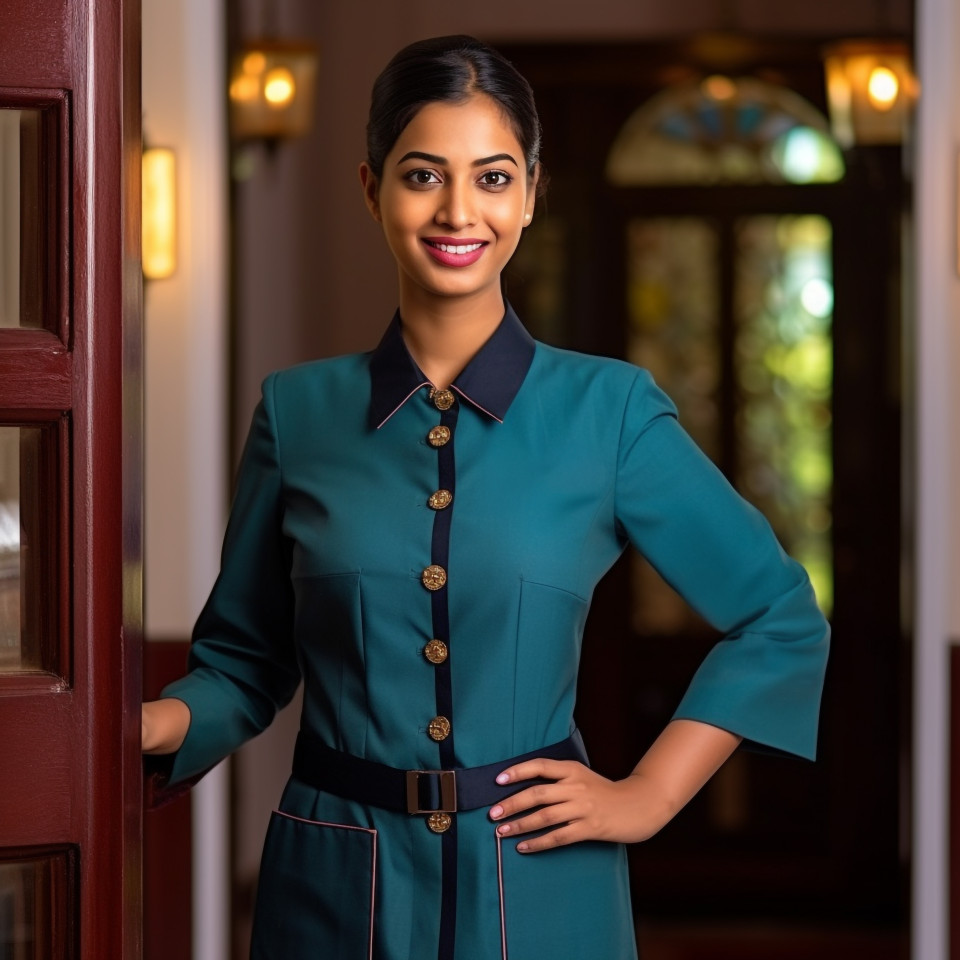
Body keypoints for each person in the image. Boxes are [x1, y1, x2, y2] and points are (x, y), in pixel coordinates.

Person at [142, 34, 830, 960]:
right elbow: (244, 661)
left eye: (494, 178)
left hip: (544, 887)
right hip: (334, 889)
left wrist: (648, 795)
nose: (458, 210)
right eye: (423, 175)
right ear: (371, 189)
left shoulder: (609, 411)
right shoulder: (297, 414)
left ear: (532, 193)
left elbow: (779, 616)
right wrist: (143, 725)